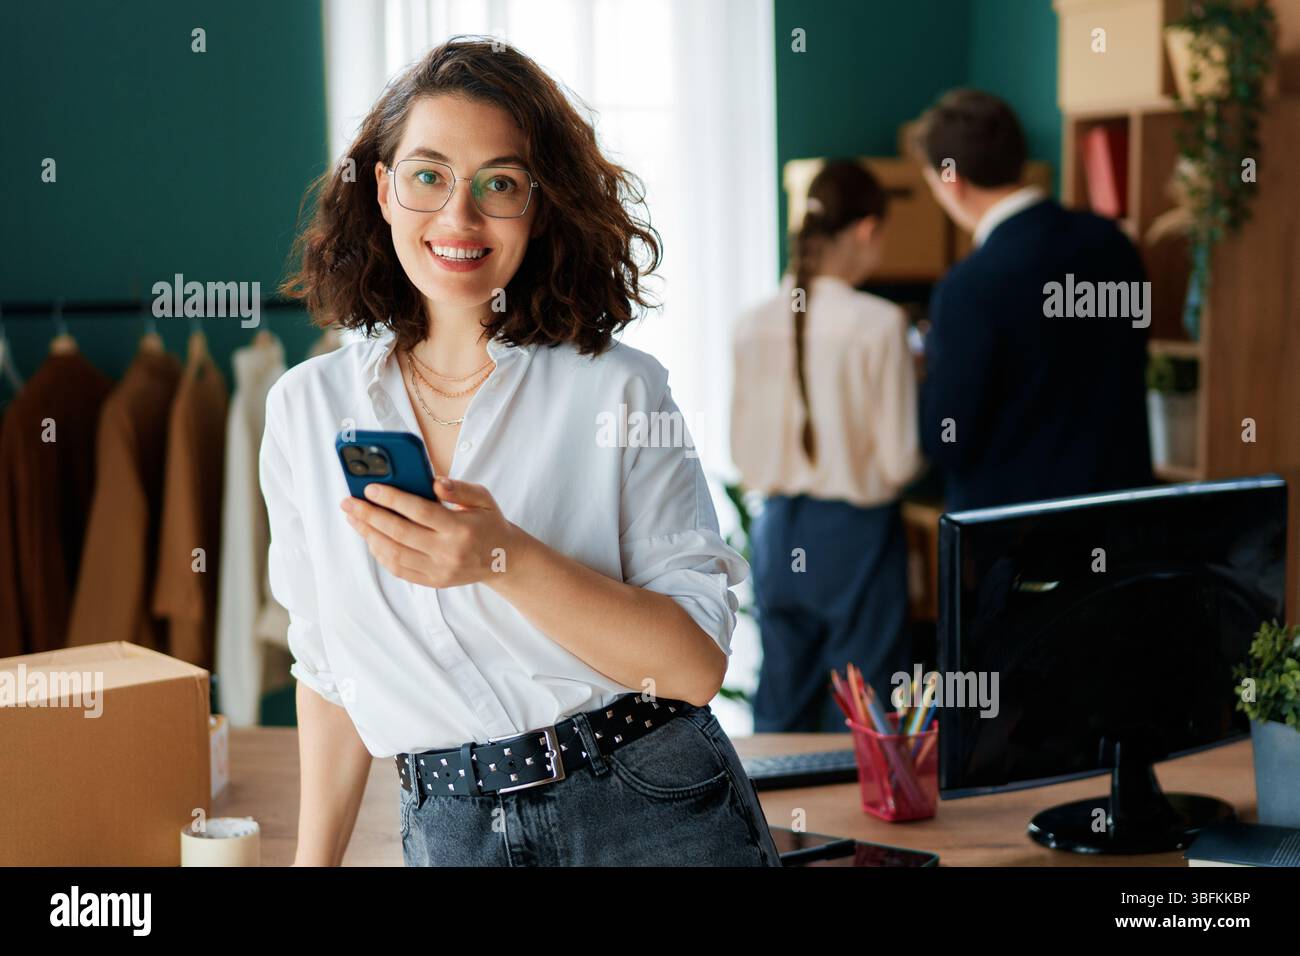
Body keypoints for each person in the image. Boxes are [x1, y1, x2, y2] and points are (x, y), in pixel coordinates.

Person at [266, 37, 781, 867]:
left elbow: (691, 665)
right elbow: (328, 670)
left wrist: (502, 556)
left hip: (646, 807)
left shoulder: (620, 391)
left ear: (540, 208)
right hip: (450, 826)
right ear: (383, 193)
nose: (459, 218)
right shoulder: (304, 409)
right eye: (428, 176)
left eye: (498, 184)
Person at [731, 160, 923, 732]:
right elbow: (900, 459)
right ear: (866, 229)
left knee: (782, 706)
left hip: (777, 532)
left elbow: (743, 451)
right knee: (864, 717)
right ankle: (860, 827)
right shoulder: (880, 323)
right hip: (855, 540)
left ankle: (770, 823)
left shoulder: (751, 321)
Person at [912, 89, 1152, 512]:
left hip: (1019, 539)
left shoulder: (969, 286)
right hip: (1120, 521)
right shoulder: (1114, 245)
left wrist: (925, 373)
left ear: (951, 180)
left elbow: (948, 442)